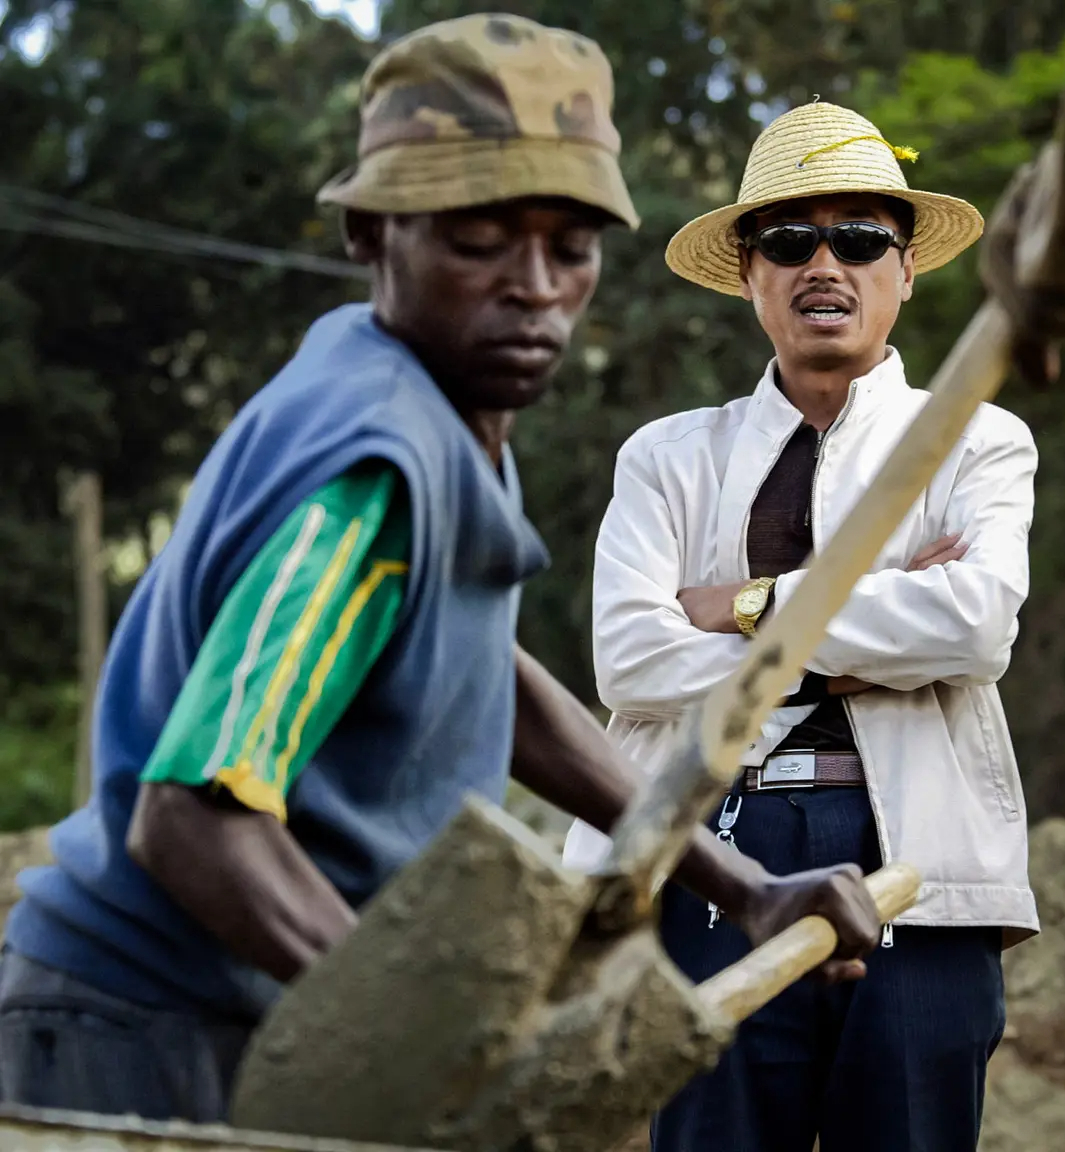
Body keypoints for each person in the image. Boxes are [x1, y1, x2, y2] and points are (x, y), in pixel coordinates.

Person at [0, 19, 879, 1124]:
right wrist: (417, 1049)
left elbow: (476, 667)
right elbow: (192, 817)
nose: (535, 289)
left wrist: (740, 885)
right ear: (374, 233)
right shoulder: (373, 466)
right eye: (478, 241)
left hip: (234, 1016)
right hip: (139, 1026)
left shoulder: (428, 400)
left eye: (572, 248)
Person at [564, 101, 1038, 1152]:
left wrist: (744, 606)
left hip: (918, 860)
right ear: (749, 273)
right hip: (709, 852)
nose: (827, 263)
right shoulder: (666, 458)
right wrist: (870, 643)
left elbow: (973, 627)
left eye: (862, 237)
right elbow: (630, 657)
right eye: (791, 240)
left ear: (906, 270)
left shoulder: (979, 439)